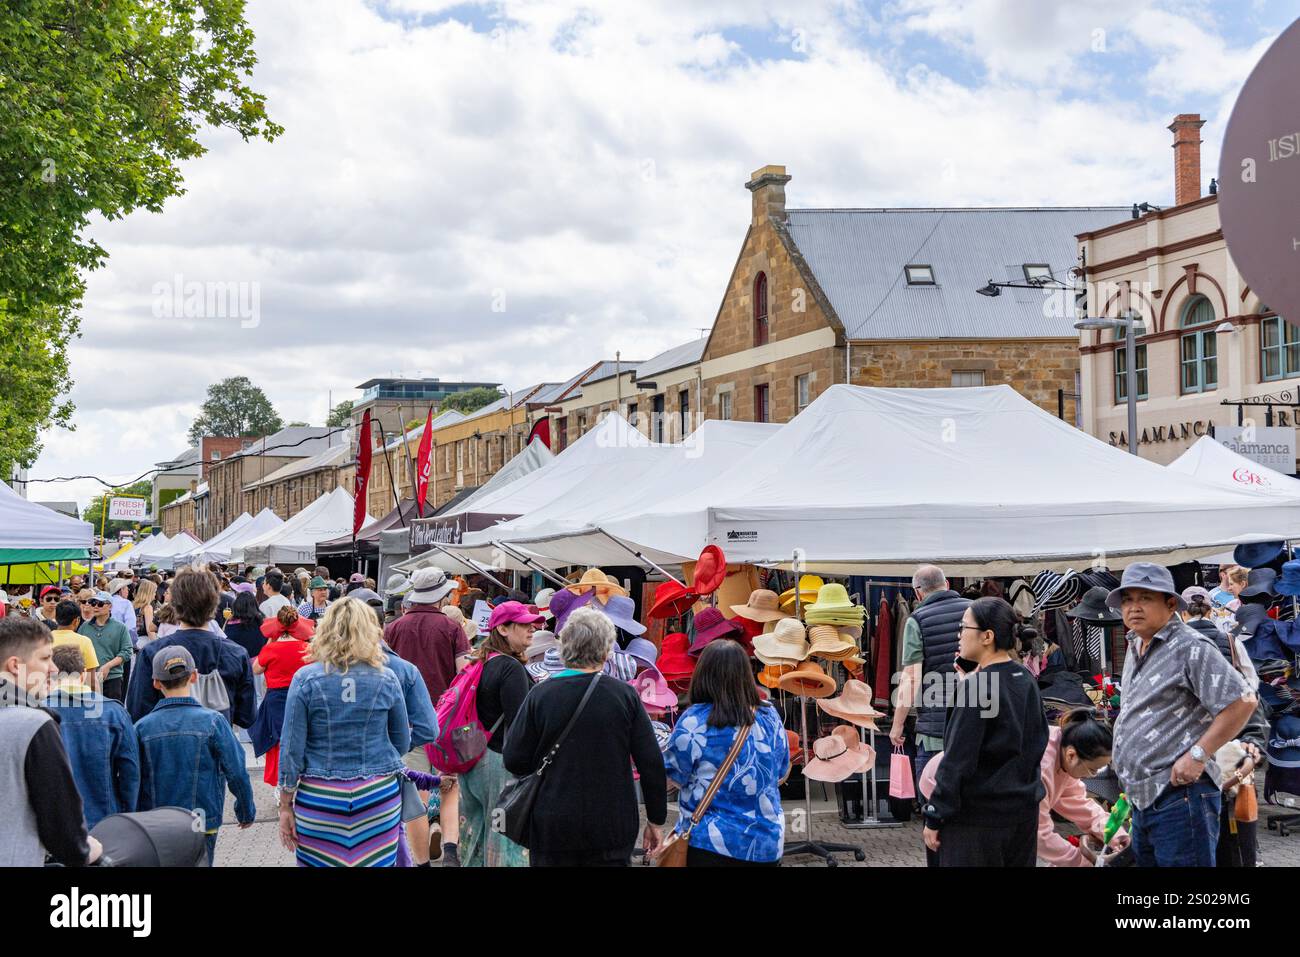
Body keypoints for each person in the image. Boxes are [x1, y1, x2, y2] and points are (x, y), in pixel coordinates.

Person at [1108, 562, 1257, 867]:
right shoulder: (1136, 645)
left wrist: (1199, 754)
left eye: (1145, 598)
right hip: (1144, 797)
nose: (1133, 608)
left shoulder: (1190, 646)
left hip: (1181, 797)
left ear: (1170, 603)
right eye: (1127, 600)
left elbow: (1243, 701)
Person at [503, 607, 667, 867]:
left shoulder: (540, 695)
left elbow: (514, 759)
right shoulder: (624, 696)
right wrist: (656, 819)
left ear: (565, 648)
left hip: (552, 821)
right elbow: (651, 763)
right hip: (612, 824)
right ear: (606, 651)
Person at [277, 598, 411, 867]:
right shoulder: (387, 678)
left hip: (320, 799)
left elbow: (291, 747)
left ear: (324, 630)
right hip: (377, 797)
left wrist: (285, 804)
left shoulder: (305, 679)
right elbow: (402, 741)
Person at [922, 597, 1049, 866]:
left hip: (977, 821)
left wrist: (935, 814)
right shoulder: (1025, 679)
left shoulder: (977, 687)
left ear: (987, 636)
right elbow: (1037, 744)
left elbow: (957, 759)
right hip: (1022, 813)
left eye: (964, 627)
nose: (959, 636)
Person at [664, 639, 790, 866]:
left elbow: (672, 777)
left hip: (709, 842)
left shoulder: (695, 720)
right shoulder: (770, 716)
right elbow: (781, 772)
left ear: (702, 674)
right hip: (765, 842)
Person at [383, 566, 472, 865]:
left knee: (415, 794)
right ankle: (449, 848)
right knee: (450, 783)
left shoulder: (393, 629)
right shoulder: (452, 628)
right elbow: (464, 674)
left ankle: (420, 861)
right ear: (441, 595)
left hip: (407, 722)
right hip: (448, 720)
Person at [135, 645, 255, 864]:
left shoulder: (141, 728)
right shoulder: (213, 722)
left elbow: (130, 778)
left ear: (156, 682)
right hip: (202, 818)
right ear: (193, 676)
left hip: (156, 822)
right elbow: (237, 771)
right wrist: (246, 810)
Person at [459, 601, 539, 868]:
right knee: (502, 839)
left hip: (472, 761)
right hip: (499, 764)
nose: (532, 629)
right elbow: (520, 724)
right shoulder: (510, 668)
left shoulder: (482, 661)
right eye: (524, 624)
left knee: (475, 833)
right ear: (503, 629)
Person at [127, 567, 256, 728]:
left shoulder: (152, 652)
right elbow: (246, 718)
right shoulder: (236, 654)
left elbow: (137, 711)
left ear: (174, 603)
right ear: (215, 603)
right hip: (215, 746)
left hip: (165, 745)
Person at [889, 565, 971, 787]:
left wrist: (897, 725)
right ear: (947, 585)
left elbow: (911, 678)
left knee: (934, 799)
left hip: (936, 731)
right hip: (976, 724)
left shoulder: (917, 621)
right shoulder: (976, 611)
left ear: (918, 592)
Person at [44, 644, 140, 828]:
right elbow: (131, 772)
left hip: (53, 825)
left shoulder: (37, 711)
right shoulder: (114, 712)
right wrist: (127, 816)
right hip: (105, 820)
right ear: (82, 675)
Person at [251, 606, 314, 786]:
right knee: (303, 737)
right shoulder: (307, 648)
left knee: (277, 740)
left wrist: (270, 641)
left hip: (275, 699)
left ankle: (280, 781)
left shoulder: (271, 649)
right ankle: (302, 778)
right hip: (302, 698)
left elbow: (256, 669)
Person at [77, 590, 133, 702]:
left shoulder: (120, 627)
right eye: (93, 603)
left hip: (112, 678)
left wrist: (108, 666)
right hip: (89, 679)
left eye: (100, 604)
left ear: (110, 606)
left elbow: (127, 651)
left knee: (111, 713)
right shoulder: (84, 627)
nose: (96, 606)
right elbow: (78, 651)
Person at [51, 599, 100, 690]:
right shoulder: (84, 641)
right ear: (76, 620)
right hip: (75, 696)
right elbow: (92, 679)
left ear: (56, 617)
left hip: (48, 695)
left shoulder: (44, 639)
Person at [224, 588, 267, 662]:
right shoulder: (262, 622)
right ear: (255, 605)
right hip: (258, 662)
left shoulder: (231, 625)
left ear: (236, 606)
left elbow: (226, 643)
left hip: (237, 662)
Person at [105, 578, 139, 646]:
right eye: (126, 588)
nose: (128, 591)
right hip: (121, 642)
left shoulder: (105, 602)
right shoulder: (126, 603)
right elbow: (131, 627)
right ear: (121, 590)